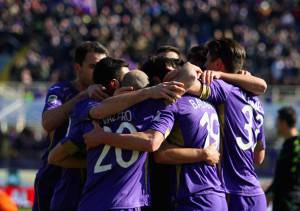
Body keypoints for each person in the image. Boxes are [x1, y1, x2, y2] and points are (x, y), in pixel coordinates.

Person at [48, 57, 186, 210]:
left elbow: (55, 157)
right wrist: (148, 92)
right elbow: (151, 142)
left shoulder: (87, 114)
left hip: (91, 203)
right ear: (115, 84)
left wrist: (93, 155)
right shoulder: (144, 111)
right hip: (126, 202)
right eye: (126, 78)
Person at [33, 41, 109, 211]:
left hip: (90, 177)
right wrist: (82, 97)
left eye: (102, 66)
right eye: (93, 66)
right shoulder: (61, 90)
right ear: (78, 68)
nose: (99, 72)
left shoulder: (109, 95)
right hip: (55, 174)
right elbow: (48, 122)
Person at [199, 38, 267, 211]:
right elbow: (259, 157)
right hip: (256, 194)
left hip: (232, 192)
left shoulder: (223, 88)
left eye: (207, 61)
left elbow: (187, 85)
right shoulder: (255, 100)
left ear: (219, 64)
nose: (205, 67)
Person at [266, 106, 300, 211]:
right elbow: (280, 176)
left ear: (283, 122)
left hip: (291, 204)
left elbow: (290, 178)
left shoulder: (297, 145)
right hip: (281, 203)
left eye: (277, 122)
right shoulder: (287, 144)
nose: (276, 126)